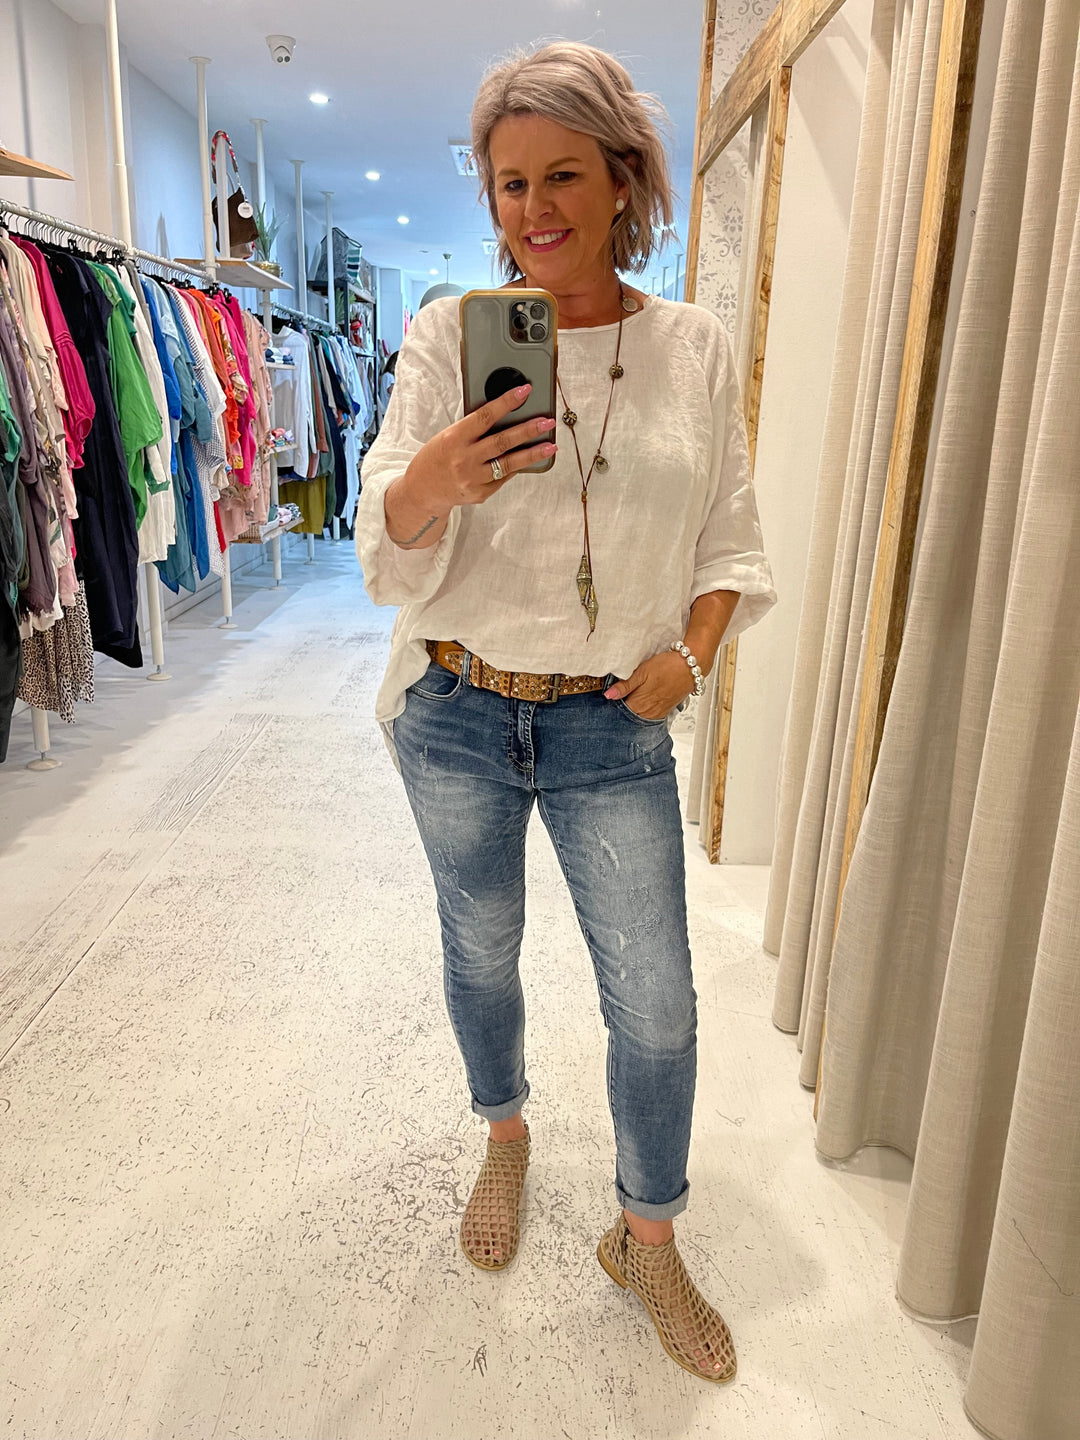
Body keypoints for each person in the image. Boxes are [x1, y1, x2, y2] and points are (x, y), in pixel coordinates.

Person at [356, 40, 776, 1383]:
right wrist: (438, 476)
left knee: (656, 1002)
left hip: (609, 725)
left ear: (623, 182)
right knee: (482, 949)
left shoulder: (692, 346)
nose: (533, 209)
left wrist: (691, 658)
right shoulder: (448, 337)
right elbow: (385, 546)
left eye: (563, 176)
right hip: (457, 708)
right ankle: (506, 1135)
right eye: (509, 183)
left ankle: (646, 1237)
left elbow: (729, 537)